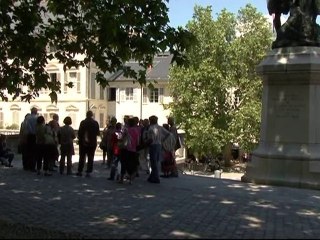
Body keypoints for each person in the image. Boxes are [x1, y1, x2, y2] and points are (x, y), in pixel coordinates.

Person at [76, 110, 100, 177]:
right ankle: (88, 172)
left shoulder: (83, 122)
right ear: (92, 115)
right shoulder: (95, 123)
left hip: (83, 142)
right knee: (90, 157)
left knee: (82, 157)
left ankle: (80, 171)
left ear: (86, 115)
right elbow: (98, 133)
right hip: (92, 142)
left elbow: (79, 133)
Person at [145, 115, 167, 184]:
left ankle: (156, 178)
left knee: (153, 162)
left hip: (153, 145)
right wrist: (162, 140)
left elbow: (150, 139)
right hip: (159, 145)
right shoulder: (160, 127)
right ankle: (152, 177)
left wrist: (145, 143)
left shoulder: (151, 128)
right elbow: (168, 134)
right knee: (156, 161)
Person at [24, 107, 38, 172]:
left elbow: (26, 127)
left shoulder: (27, 118)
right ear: (36, 111)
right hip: (35, 136)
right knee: (34, 152)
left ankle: (27, 166)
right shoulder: (37, 118)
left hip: (29, 136)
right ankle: (33, 166)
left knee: (28, 151)